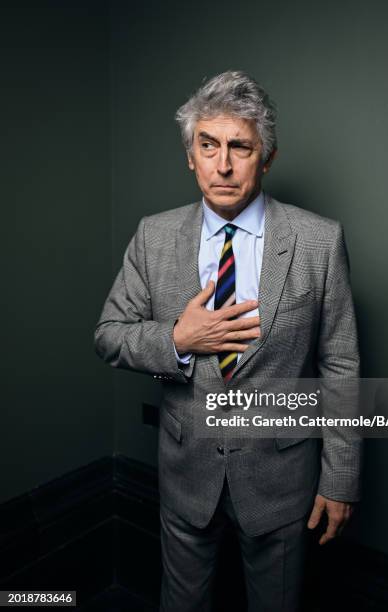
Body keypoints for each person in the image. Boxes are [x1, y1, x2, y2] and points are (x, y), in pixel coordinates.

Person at [94, 70, 362, 611]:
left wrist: (341, 480)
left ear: (266, 156)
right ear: (190, 155)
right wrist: (177, 338)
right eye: (207, 145)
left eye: (239, 146)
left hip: (281, 484)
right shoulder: (153, 235)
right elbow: (109, 335)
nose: (222, 163)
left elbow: (340, 362)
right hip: (186, 478)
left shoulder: (319, 240)